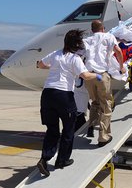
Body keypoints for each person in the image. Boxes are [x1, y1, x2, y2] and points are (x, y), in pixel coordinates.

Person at [36, 29, 102, 177]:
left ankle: (44, 158)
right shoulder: (75, 59)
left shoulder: (55, 54)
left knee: (52, 130)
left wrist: (51, 67)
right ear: (77, 45)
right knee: (68, 129)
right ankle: (62, 160)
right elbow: (85, 75)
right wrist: (97, 76)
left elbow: (40, 64)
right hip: (64, 96)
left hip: (47, 95)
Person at [83, 20, 126, 147]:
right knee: (106, 105)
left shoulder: (87, 40)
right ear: (103, 29)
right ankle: (103, 136)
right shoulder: (109, 36)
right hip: (101, 75)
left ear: (92, 30)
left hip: (89, 75)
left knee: (95, 102)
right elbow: (118, 51)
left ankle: (91, 126)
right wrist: (121, 67)